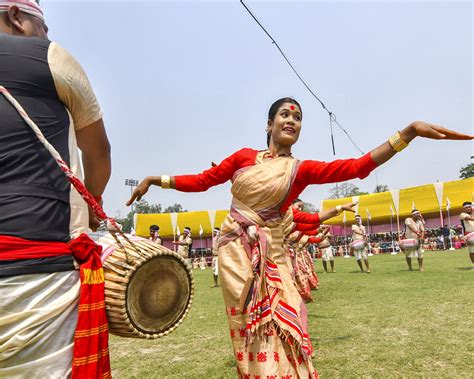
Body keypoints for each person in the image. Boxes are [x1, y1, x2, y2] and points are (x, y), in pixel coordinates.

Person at [127, 97, 472, 378]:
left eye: (298, 117)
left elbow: (356, 167)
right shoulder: (243, 158)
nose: (291, 120)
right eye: (284, 114)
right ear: (269, 124)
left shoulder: (300, 170)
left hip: (274, 257)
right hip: (235, 253)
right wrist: (157, 179)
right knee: (251, 326)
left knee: (286, 317)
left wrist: (407, 134)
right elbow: (204, 180)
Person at [0, 1, 112, 377]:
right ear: (17, 16)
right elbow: (98, 152)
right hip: (35, 277)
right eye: (44, 28)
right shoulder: (47, 56)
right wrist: (93, 211)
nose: (48, 37)